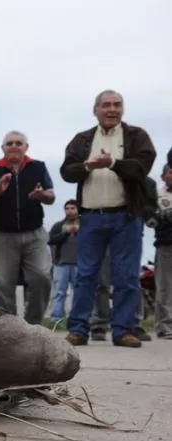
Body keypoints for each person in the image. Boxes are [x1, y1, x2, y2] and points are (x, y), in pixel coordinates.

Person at [60, 90, 156, 348]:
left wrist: (112, 162)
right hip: (91, 216)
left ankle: (123, 330)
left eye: (117, 105)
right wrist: (88, 166)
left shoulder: (137, 136)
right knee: (86, 275)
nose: (111, 109)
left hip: (126, 216)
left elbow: (141, 168)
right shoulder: (82, 139)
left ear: (122, 110)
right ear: (95, 110)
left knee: (126, 277)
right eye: (106, 105)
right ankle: (78, 330)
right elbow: (66, 172)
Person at [0, 130, 55, 324]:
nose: (14, 146)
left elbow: (51, 196)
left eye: (18, 143)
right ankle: (11, 329)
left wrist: (41, 195)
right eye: (9, 143)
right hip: (3, 235)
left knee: (41, 277)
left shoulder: (38, 167)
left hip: (34, 234)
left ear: (26, 147)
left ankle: (32, 326)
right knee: (3, 284)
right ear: (2, 148)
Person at [148, 164, 172, 339]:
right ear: (164, 176)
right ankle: (164, 326)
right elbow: (151, 218)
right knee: (164, 287)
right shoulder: (158, 194)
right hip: (165, 244)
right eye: (170, 172)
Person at [47, 199, 80, 324]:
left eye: (72, 208)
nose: (70, 211)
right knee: (60, 292)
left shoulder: (84, 225)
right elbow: (50, 240)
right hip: (61, 264)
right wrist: (65, 233)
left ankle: (76, 318)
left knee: (78, 292)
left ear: (78, 210)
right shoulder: (58, 225)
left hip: (80, 264)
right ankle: (56, 319)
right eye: (67, 208)